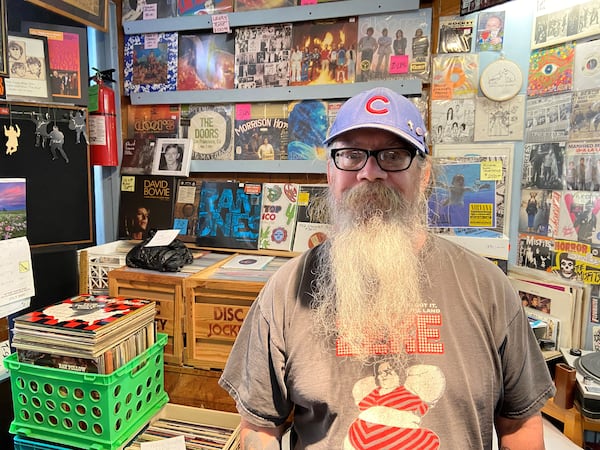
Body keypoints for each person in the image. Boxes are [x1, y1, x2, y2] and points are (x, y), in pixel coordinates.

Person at [219, 87, 554, 449]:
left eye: (393, 155)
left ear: (424, 175)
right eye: (350, 155)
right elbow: (260, 427)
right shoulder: (285, 291)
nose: (370, 173)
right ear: (331, 173)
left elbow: (519, 425)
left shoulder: (488, 288)